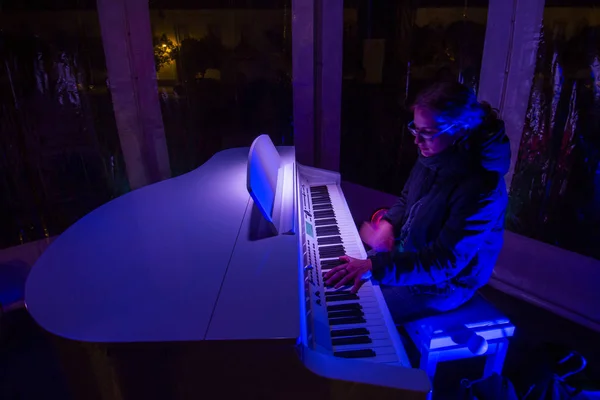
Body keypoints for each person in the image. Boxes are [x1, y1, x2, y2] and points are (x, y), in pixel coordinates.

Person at [324, 81, 511, 322]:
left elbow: (444, 261)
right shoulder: (434, 152)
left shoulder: (483, 187)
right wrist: (389, 224)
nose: (416, 140)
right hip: (411, 255)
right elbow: (407, 199)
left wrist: (376, 267)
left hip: (444, 284)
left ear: (460, 129)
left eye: (427, 133)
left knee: (348, 311)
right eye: (416, 129)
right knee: (329, 278)